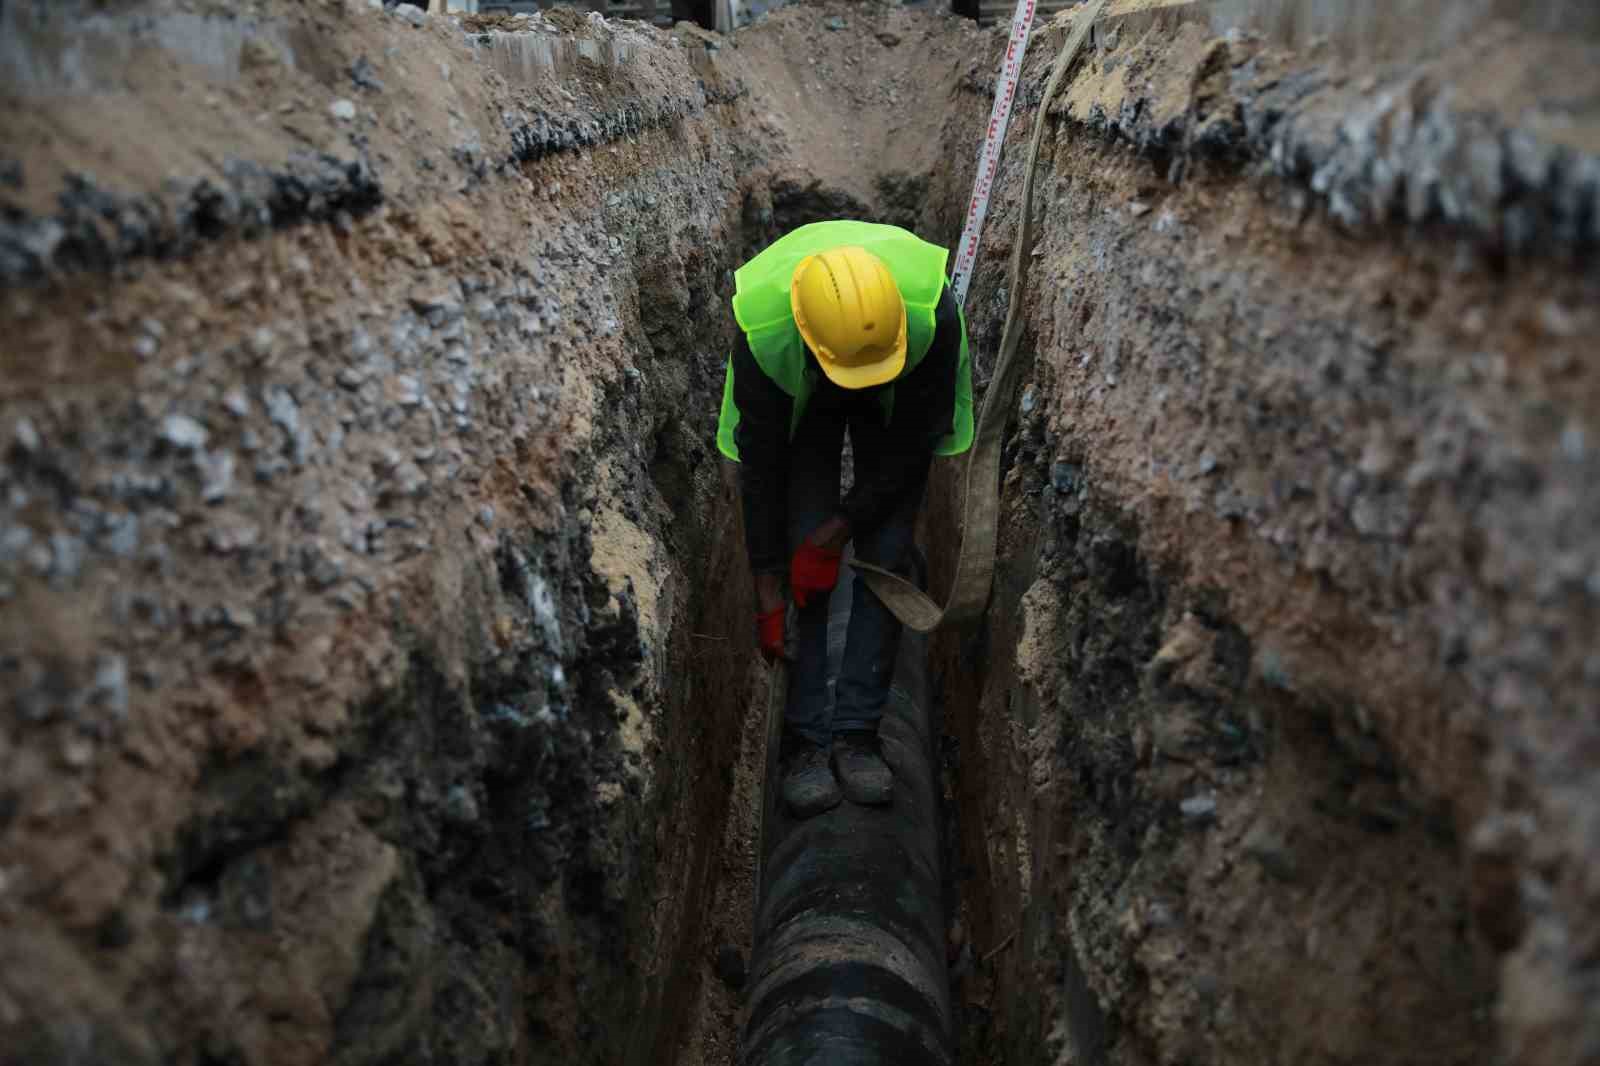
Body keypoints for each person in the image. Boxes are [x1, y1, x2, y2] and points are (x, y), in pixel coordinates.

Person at [716, 220, 973, 817]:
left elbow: (916, 446)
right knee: (803, 531)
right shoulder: (767, 337)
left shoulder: (933, 317)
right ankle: (804, 742)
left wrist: (842, 529)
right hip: (806, 390)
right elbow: (763, 469)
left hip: (899, 394)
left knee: (886, 557)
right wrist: (768, 585)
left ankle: (857, 733)